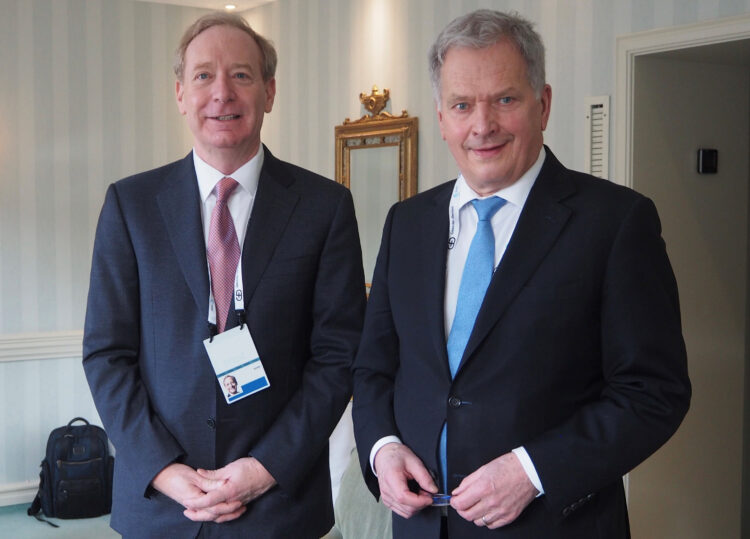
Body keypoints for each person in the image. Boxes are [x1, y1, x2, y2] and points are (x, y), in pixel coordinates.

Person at [352, 9, 691, 538]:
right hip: (421, 526)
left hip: (554, 524)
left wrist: (533, 470)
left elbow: (653, 392)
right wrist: (382, 449)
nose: (482, 125)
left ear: (544, 104)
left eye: (504, 100)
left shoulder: (615, 222)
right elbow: (374, 367)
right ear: (442, 117)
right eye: (462, 105)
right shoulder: (407, 223)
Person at [83, 12, 365, 538]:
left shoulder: (324, 207)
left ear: (269, 91)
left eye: (241, 75)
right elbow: (107, 354)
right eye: (203, 76)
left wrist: (263, 469)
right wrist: (164, 470)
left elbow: (337, 356)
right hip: (160, 503)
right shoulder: (131, 205)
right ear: (180, 94)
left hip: (280, 502)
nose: (222, 94)